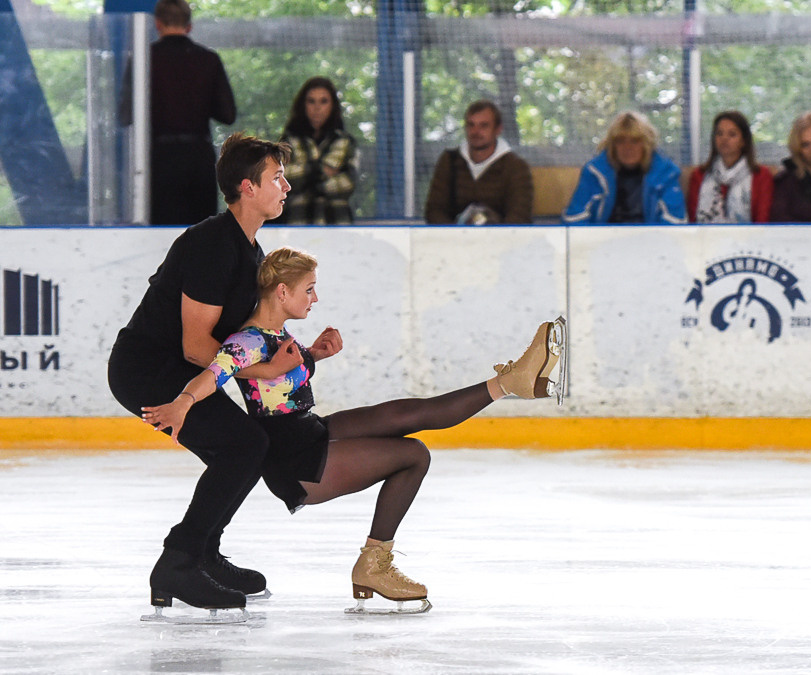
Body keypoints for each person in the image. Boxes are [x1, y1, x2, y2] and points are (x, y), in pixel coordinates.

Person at [140, 246, 567, 613]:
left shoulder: (276, 336)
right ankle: (373, 564)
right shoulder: (248, 341)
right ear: (282, 291)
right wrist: (184, 402)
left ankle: (511, 382)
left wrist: (312, 356)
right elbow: (215, 372)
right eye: (308, 289)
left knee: (408, 414)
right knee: (413, 454)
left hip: (309, 431)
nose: (315, 298)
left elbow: (274, 378)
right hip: (296, 461)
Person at [107, 132, 294, 613]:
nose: (286, 186)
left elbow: (237, 338)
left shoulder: (247, 248)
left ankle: (202, 553)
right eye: (277, 177)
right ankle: (180, 562)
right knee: (244, 445)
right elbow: (195, 346)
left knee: (245, 447)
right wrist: (265, 371)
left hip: (175, 368)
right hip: (147, 369)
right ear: (247, 187)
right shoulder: (213, 243)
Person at [119, 0, 237, 226]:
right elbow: (227, 114)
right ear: (189, 26)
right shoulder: (208, 60)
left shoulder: (145, 60)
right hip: (198, 159)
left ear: (157, 24)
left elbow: (125, 116)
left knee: (160, 234)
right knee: (201, 235)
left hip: (158, 159)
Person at [562, 110, 685, 224]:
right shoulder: (594, 173)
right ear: (612, 146)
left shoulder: (666, 173)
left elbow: (675, 221)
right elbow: (574, 218)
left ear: (647, 145)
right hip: (603, 243)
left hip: (651, 243)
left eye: (635, 141)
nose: (628, 147)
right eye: (620, 141)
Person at [424, 100, 534, 225]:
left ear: (498, 129)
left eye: (484, 125)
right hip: (453, 241)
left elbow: (519, 216)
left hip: (501, 242)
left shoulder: (516, 167)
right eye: (471, 125)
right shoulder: (449, 161)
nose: (476, 131)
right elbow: (434, 210)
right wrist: (455, 236)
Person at [280, 77, 360, 225]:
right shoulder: (289, 142)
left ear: (333, 105)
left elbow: (348, 184)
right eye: (311, 101)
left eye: (324, 101)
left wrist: (304, 179)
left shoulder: (344, 141)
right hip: (296, 222)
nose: (317, 107)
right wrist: (320, 170)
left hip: (338, 224)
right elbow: (283, 178)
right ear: (302, 105)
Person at [687, 111, 774, 223]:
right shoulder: (699, 175)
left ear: (744, 141)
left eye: (732, 134)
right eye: (719, 133)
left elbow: (763, 221)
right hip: (706, 239)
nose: (724, 139)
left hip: (750, 239)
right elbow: (692, 221)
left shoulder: (761, 175)